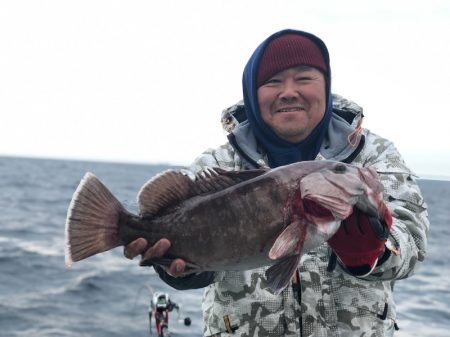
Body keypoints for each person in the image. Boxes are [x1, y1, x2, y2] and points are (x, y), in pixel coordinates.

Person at [124, 29, 429, 337]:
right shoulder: (216, 166)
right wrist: (178, 269)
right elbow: (191, 260)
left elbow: (413, 243)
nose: (289, 91)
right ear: (252, 94)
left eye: (304, 78)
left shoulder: (373, 156)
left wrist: (375, 250)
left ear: (326, 86)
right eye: (272, 81)